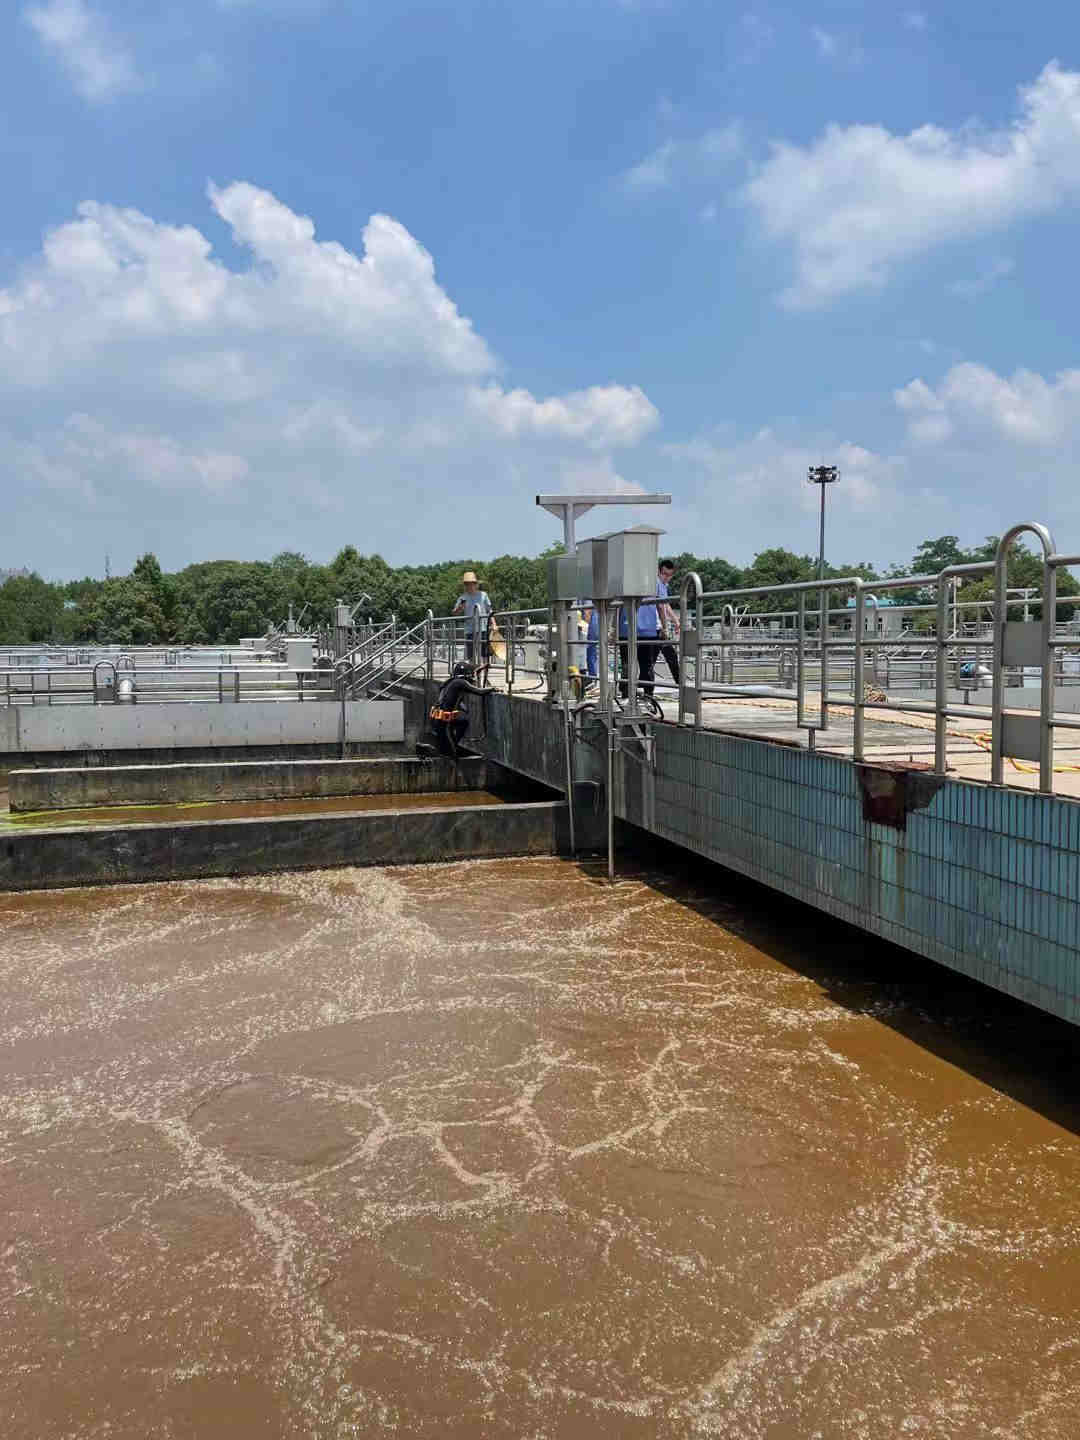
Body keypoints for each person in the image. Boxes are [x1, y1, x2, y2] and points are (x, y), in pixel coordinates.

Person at [421, 661, 491, 759]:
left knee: (463, 722)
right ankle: (434, 751)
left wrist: (482, 667)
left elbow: (474, 672)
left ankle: (451, 745)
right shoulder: (460, 683)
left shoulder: (451, 682)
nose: (473, 676)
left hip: (437, 720)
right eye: (471, 673)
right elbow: (479, 692)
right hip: (444, 724)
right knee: (451, 755)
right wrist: (492, 689)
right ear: (466, 674)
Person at [617, 590, 660, 699]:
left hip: (626, 628)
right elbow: (661, 605)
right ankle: (648, 695)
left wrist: (614, 628)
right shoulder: (653, 582)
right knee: (646, 665)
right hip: (647, 629)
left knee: (627, 665)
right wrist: (664, 625)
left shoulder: (623, 580)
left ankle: (626, 695)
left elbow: (617, 606)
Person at [452, 570, 493, 669]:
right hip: (470, 629)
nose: (469, 586)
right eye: (466, 584)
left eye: (471, 583)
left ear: (476, 584)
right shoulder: (463, 597)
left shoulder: (483, 595)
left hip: (483, 628)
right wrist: (460, 608)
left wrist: (494, 624)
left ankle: (484, 676)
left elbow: (490, 610)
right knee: (471, 655)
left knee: (485, 654)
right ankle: (473, 674)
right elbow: (454, 613)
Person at [656, 558, 680, 686]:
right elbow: (660, 606)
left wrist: (676, 621)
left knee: (667, 655)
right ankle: (680, 683)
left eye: (670, 575)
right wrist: (665, 628)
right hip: (656, 627)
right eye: (665, 574)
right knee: (670, 654)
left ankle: (679, 682)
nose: (667, 578)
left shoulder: (664, 585)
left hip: (659, 627)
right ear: (659, 572)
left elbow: (666, 605)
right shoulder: (656, 584)